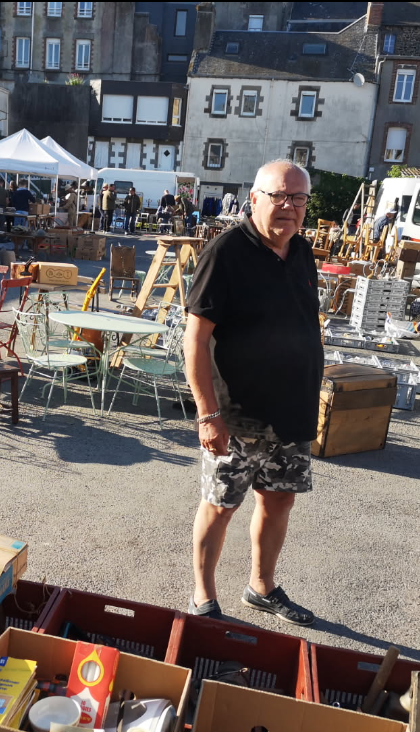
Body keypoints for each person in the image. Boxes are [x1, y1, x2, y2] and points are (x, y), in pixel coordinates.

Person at [184, 159, 321, 626]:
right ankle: (203, 596)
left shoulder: (302, 253)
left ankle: (261, 588)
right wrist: (208, 413)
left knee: (278, 500)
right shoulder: (226, 252)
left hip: (290, 413)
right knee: (221, 505)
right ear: (254, 199)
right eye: (279, 196)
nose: (289, 207)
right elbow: (195, 339)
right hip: (236, 416)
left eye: (298, 198)